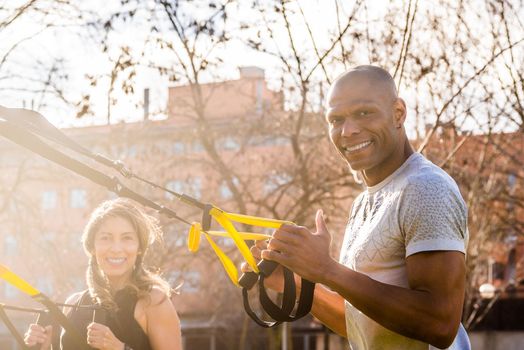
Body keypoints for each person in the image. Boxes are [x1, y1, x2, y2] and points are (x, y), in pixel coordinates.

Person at [249, 65, 470, 349]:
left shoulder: (426, 188)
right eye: (336, 119)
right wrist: (300, 284)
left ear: (398, 113)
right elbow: (363, 324)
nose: (348, 130)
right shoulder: (363, 202)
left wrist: (327, 269)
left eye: (364, 113)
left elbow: (440, 324)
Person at [24, 198, 182, 350]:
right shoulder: (73, 303)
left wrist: (120, 348)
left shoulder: (153, 301)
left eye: (127, 238)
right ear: (92, 247)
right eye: (105, 238)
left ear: (139, 248)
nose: (116, 248)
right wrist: (45, 347)